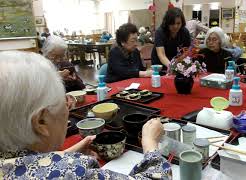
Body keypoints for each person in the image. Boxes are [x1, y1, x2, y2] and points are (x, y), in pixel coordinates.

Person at [0, 51, 171, 179]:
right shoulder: (73, 170)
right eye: (64, 100)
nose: (69, 107)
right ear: (41, 122)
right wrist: (150, 144)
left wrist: (64, 153)